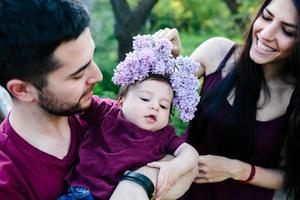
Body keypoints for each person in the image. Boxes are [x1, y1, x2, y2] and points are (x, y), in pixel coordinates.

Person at [155, 0, 300, 199]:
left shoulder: (295, 95)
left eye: (288, 31)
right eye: (266, 17)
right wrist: (167, 58)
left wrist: (236, 169)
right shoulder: (218, 52)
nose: (266, 34)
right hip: (183, 189)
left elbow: (290, 176)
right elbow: (151, 97)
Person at [58, 35, 199, 200]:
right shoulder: (106, 112)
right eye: (145, 99)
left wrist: (175, 167)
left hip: (127, 193)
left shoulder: (164, 135)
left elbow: (190, 153)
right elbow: (76, 101)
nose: (155, 106)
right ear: (121, 101)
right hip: (82, 193)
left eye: (164, 106)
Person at [0, 0, 103, 199]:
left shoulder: (100, 116)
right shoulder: (7, 178)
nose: (98, 76)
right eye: (77, 75)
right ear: (22, 90)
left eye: (92, 58)